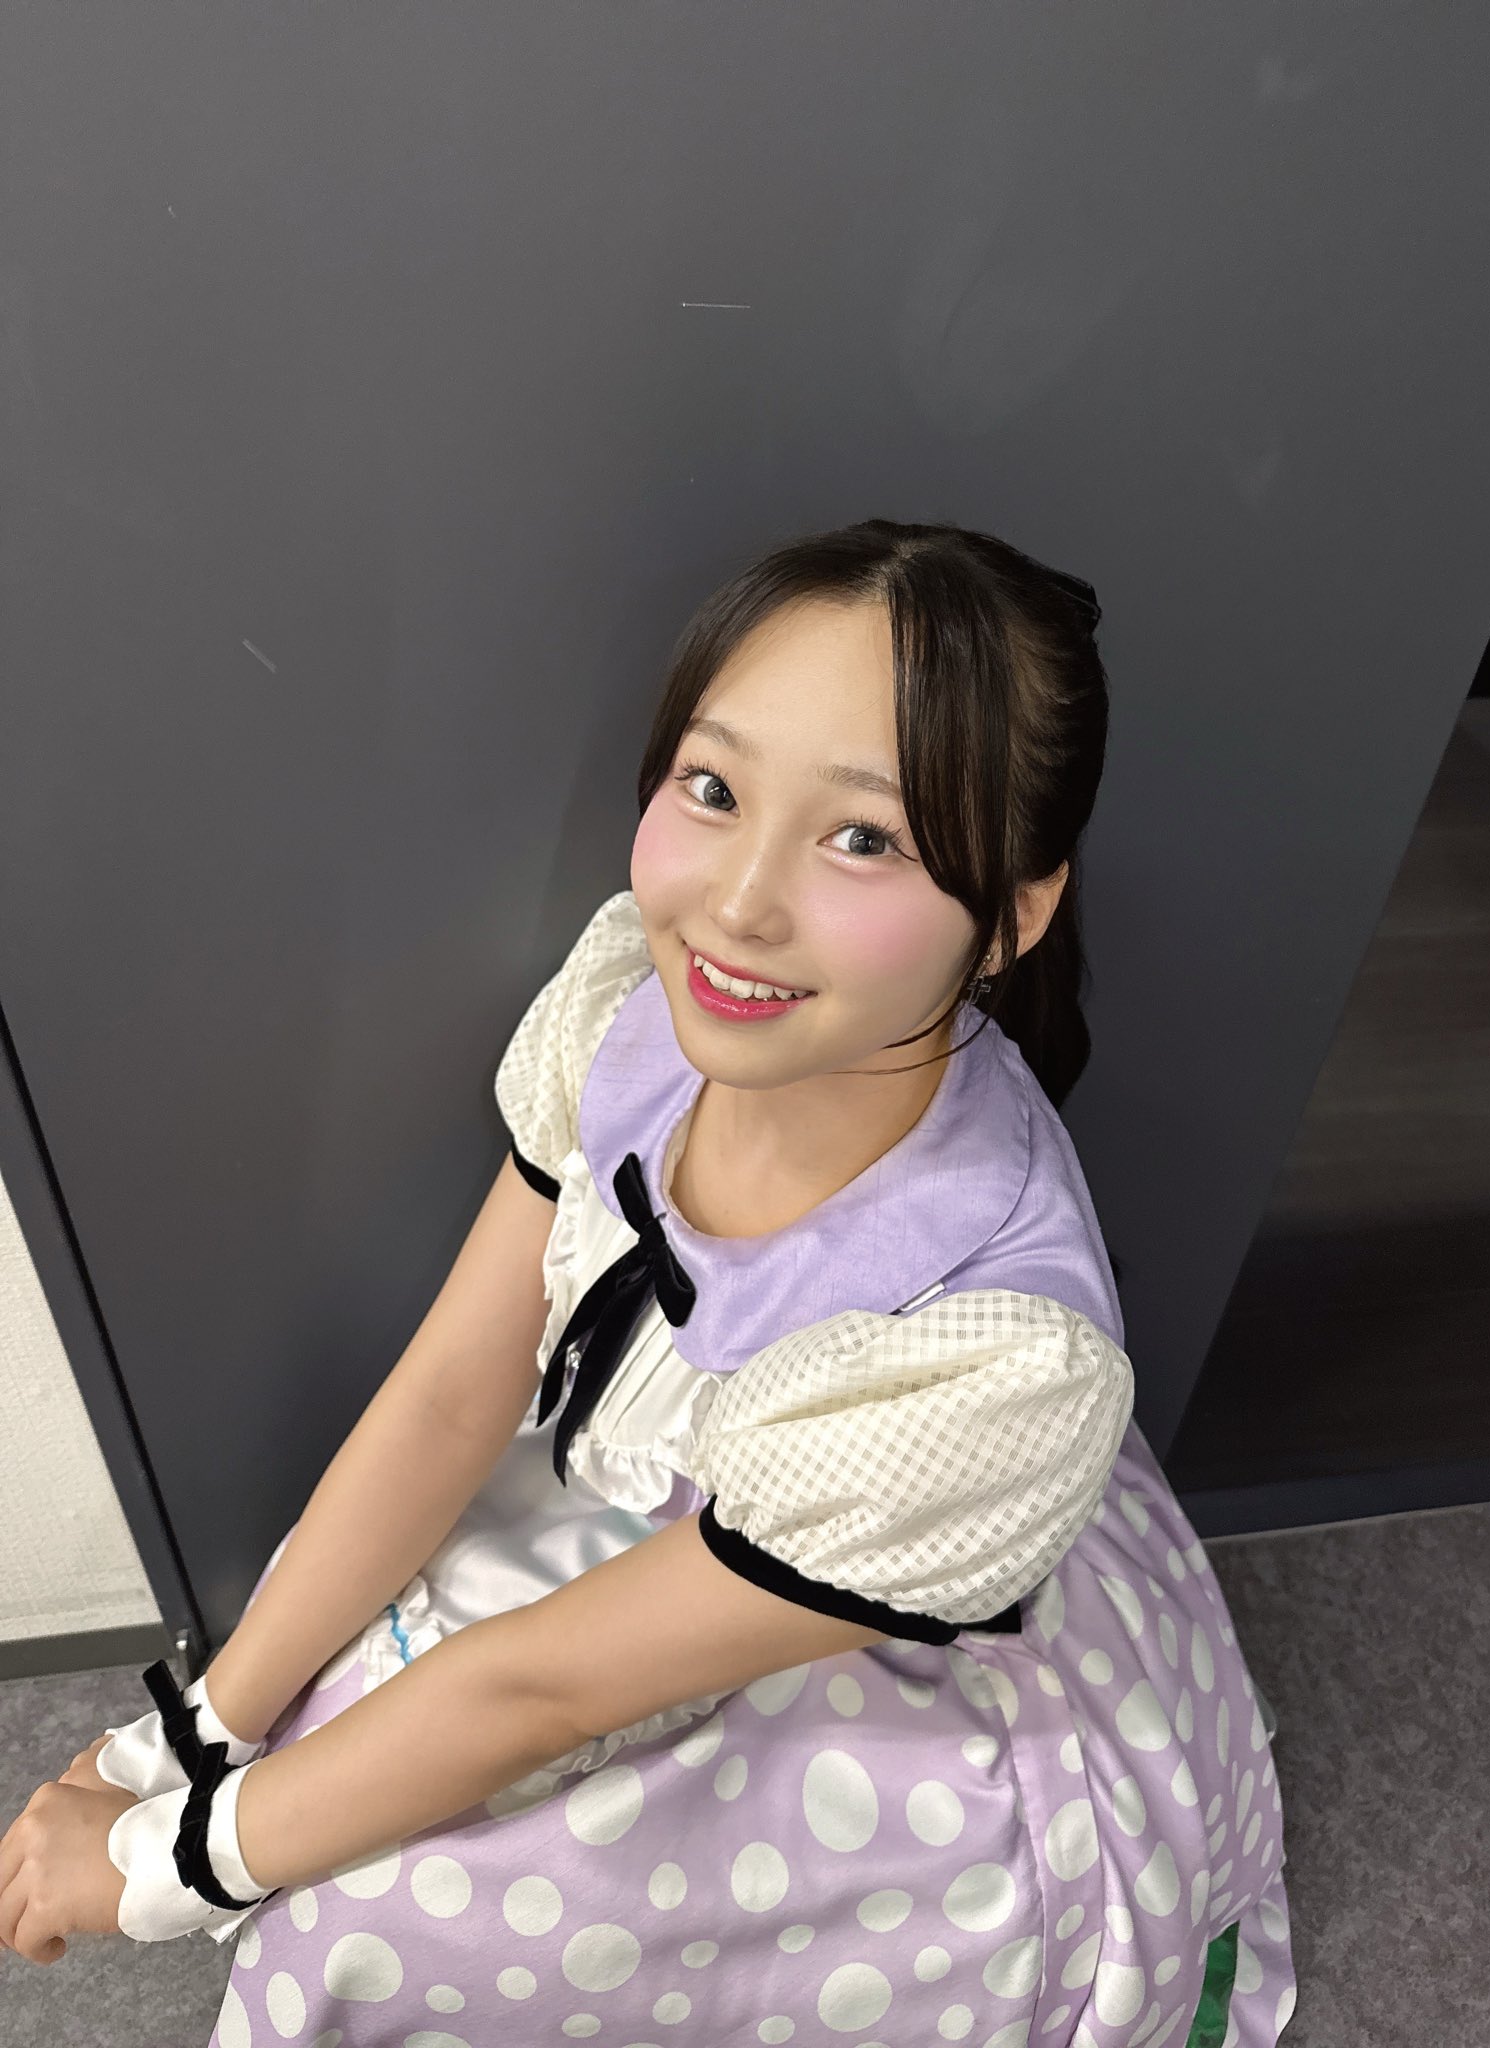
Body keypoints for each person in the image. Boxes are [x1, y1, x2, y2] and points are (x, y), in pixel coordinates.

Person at [24, 518, 1295, 2043]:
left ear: (1015, 913)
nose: (740, 903)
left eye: (864, 838)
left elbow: (538, 1694)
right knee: (326, 1680)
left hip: (871, 1655)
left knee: (375, 1919)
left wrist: (165, 1871)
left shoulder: (986, 1372)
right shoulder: (633, 1001)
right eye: (714, 789)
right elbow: (452, 1389)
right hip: (669, 1527)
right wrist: (195, 1734)